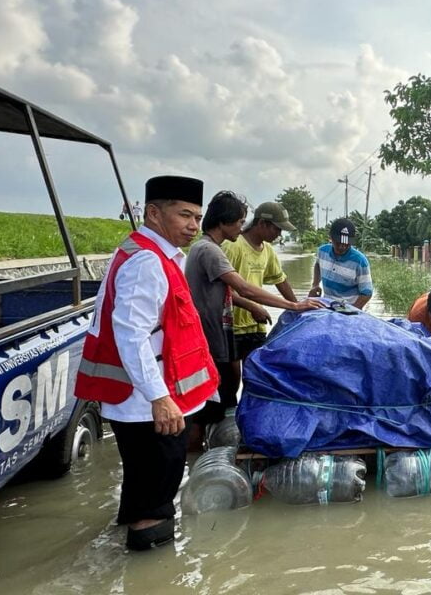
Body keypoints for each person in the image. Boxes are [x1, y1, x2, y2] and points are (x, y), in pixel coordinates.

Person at [74, 175, 219, 551]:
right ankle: (151, 565)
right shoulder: (147, 263)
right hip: (147, 404)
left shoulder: (152, 254)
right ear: (153, 213)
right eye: (184, 215)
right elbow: (131, 335)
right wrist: (160, 398)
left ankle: (126, 559)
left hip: (144, 401)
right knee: (156, 498)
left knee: (142, 486)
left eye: (197, 217)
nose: (193, 226)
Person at [185, 191, 323, 429]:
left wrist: (300, 307)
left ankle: (214, 443)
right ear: (224, 222)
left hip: (222, 333)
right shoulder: (214, 250)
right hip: (217, 333)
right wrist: (292, 306)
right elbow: (242, 289)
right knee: (218, 397)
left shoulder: (209, 248)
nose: (241, 228)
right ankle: (205, 451)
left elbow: (278, 280)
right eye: (239, 222)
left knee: (228, 391)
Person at [222, 201, 302, 360]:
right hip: (231, 325)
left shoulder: (268, 250)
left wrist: (299, 308)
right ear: (262, 223)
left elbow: (281, 281)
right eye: (277, 229)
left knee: (255, 375)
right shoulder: (233, 246)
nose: (279, 234)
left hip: (256, 324)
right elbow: (222, 289)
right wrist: (251, 306)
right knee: (231, 381)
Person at [308, 217, 373, 309]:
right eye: (338, 243)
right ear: (330, 237)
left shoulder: (360, 261)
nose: (342, 247)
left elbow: (367, 293)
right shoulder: (322, 252)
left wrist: (351, 310)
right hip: (327, 305)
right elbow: (318, 265)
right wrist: (315, 284)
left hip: (349, 308)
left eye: (346, 244)